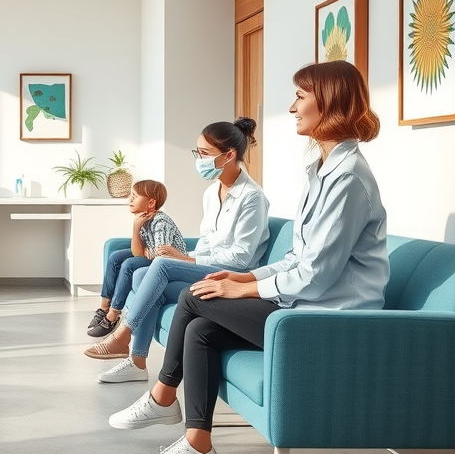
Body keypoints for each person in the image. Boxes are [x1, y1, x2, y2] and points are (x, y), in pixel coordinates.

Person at [108, 60, 388, 454]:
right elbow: (297, 256)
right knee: (199, 330)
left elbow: (317, 275)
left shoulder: (348, 178)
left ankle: (162, 397)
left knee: (195, 296)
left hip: (331, 318)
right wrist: (244, 279)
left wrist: (248, 288)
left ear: (328, 102)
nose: (292, 108)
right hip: (306, 303)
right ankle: (196, 441)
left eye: (299, 97)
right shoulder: (321, 169)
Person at [85, 119, 270, 386]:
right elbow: (208, 241)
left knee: (160, 266)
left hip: (233, 277)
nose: (199, 160)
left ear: (228, 155)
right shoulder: (211, 193)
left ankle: (122, 336)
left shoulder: (252, 198)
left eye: (204, 154)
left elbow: (242, 257)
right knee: (141, 277)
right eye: (197, 153)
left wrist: (187, 259)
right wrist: (187, 256)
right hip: (208, 269)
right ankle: (137, 362)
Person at [87, 180, 187, 337]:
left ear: (151, 202)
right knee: (115, 257)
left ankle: (113, 316)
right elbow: (137, 251)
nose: (130, 200)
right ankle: (104, 308)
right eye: (130, 196)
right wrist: (136, 226)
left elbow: (163, 253)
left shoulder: (161, 221)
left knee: (129, 264)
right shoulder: (143, 218)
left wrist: (144, 252)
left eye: (135, 196)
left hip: (170, 262)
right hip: (152, 255)